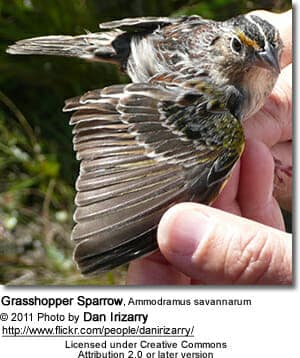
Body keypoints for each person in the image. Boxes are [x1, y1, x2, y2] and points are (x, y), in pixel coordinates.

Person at [126, 10, 292, 285]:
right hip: (148, 61)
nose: (268, 60)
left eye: (274, 49)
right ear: (222, 44)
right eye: (239, 48)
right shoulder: (213, 89)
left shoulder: (262, 75)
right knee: (217, 155)